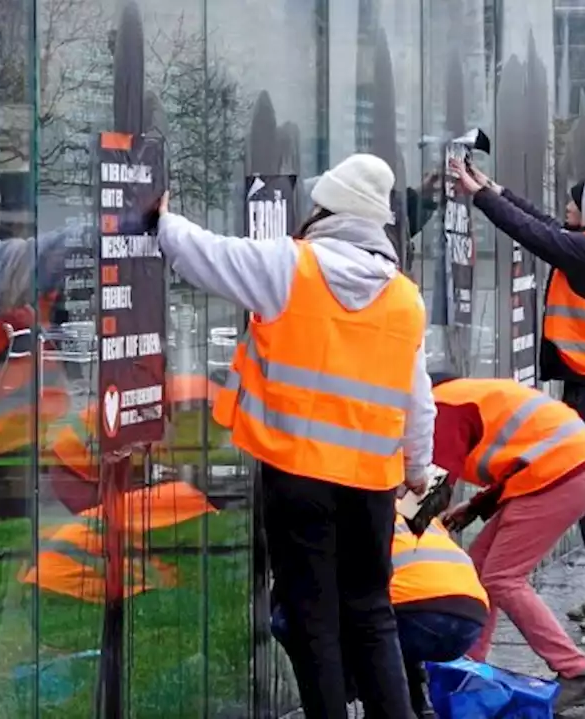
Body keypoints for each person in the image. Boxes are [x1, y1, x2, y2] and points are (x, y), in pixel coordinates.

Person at [153, 153, 437, 719]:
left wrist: (162, 221)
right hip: (371, 488)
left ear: (325, 209)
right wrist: (417, 467)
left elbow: (210, 257)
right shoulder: (405, 297)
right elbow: (417, 396)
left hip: (298, 477)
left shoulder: (292, 268)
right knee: (371, 612)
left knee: (312, 616)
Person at [447, 158, 585, 634]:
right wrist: (495, 188)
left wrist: (481, 198)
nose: (567, 208)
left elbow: (534, 234)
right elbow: (542, 223)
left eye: (574, 202)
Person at [430, 375, 585, 713]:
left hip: (561, 474)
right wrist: (477, 507)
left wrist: (409, 527)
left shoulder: (441, 406)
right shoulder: (466, 394)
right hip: (570, 470)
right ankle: (467, 663)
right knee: (479, 566)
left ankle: (576, 671)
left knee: (501, 577)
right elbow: (524, 457)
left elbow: (435, 487)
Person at [271, 510, 487, 717]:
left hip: (414, 614)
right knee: (392, 626)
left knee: (292, 619)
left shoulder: (347, 516)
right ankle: (417, 703)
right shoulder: (407, 512)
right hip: (471, 621)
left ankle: (353, 695)